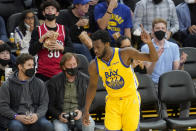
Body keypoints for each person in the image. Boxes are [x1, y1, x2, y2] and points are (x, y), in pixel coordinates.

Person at [82, 28, 158, 130]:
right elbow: (92, 86)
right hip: (112, 102)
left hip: (130, 100)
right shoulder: (94, 65)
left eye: (98, 47)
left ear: (107, 44)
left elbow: (153, 58)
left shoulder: (124, 53)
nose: (95, 50)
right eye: (94, 47)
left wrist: (149, 43)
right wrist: (86, 109)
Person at [141, 18, 189, 119]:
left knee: (187, 93)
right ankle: (164, 121)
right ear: (152, 31)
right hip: (155, 84)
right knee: (159, 94)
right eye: (157, 28)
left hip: (171, 83)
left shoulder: (173, 46)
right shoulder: (145, 48)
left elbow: (176, 71)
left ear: (166, 31)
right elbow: (148, 73)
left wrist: (181, 63)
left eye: (163, 28)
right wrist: (155, 59)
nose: (160, 30)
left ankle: (182, 124)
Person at [0, 54, 54, 131]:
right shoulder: (7, 84)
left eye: (33, 65)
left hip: (35, 116)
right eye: (29, 65)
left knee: (47, 125)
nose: (32, 68)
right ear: (20, 67)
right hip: (16, 117)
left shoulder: (40, 83)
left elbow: (44, 104)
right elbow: (3, 107)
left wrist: (37, 115)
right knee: (16, 127)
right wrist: (17, 116)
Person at [47, 53, 95, 131]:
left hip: (79, 115)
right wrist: (59, 115)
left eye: (74, 64)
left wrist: (81, 112)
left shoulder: (85, 80)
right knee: (59, 129)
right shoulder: (54, 81)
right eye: (69, 65)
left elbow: (92, 101)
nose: (73, 67)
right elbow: (50, 105)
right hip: (62, 117)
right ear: (63, 67)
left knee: (89, 124)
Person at [29, 0, 73, 82]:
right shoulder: (37, 30)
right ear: (43, 13)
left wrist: (61, 47)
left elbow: (71, 50)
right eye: (47, 8)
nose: (50, 10)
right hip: (43, 73)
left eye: (52, 8)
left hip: (61, 71)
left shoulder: (64, 29)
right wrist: (42, 39)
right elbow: (31, 51)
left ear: (57, 13)